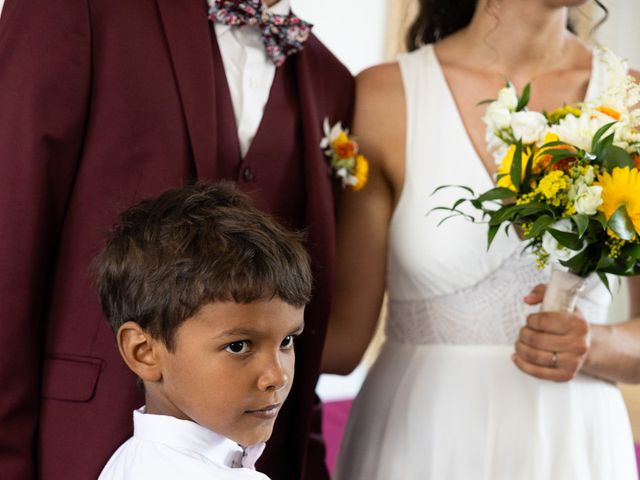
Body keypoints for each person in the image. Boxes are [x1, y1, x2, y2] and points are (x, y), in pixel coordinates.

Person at [0, 0, 353, 478]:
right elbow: (11, 239)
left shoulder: (330, 78)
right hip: (73, 439)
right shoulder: (77, 9)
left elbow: (292, 303)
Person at [322, 0, 640, 478]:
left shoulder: (630, 100)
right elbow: (343, 342)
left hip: (571, 446)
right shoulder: (385, 95)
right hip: (418, 442)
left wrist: (593, 344)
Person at [93, 182, 311, 479]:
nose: (277, 376)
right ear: (144, 352)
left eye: (286, 341)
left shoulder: (126, 462)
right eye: (239, 346)